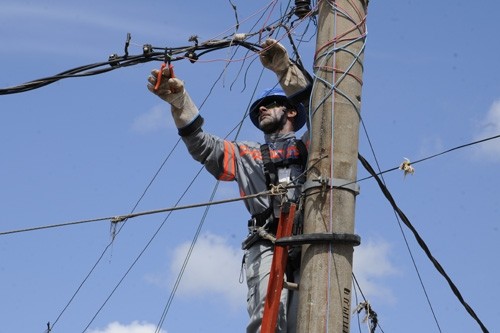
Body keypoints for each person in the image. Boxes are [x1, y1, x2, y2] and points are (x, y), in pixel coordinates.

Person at [147, 39, 311, 333]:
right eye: (258, 107)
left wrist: (285, 71)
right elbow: (203, 147)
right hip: (267, 242)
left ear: (291, 111)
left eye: (269, 104)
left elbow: (327, 112)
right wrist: (181, 103)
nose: (261, 109)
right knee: (269, 319)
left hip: (312, 241)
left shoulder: (314, 146)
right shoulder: (246, 154)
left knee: (312, 321)